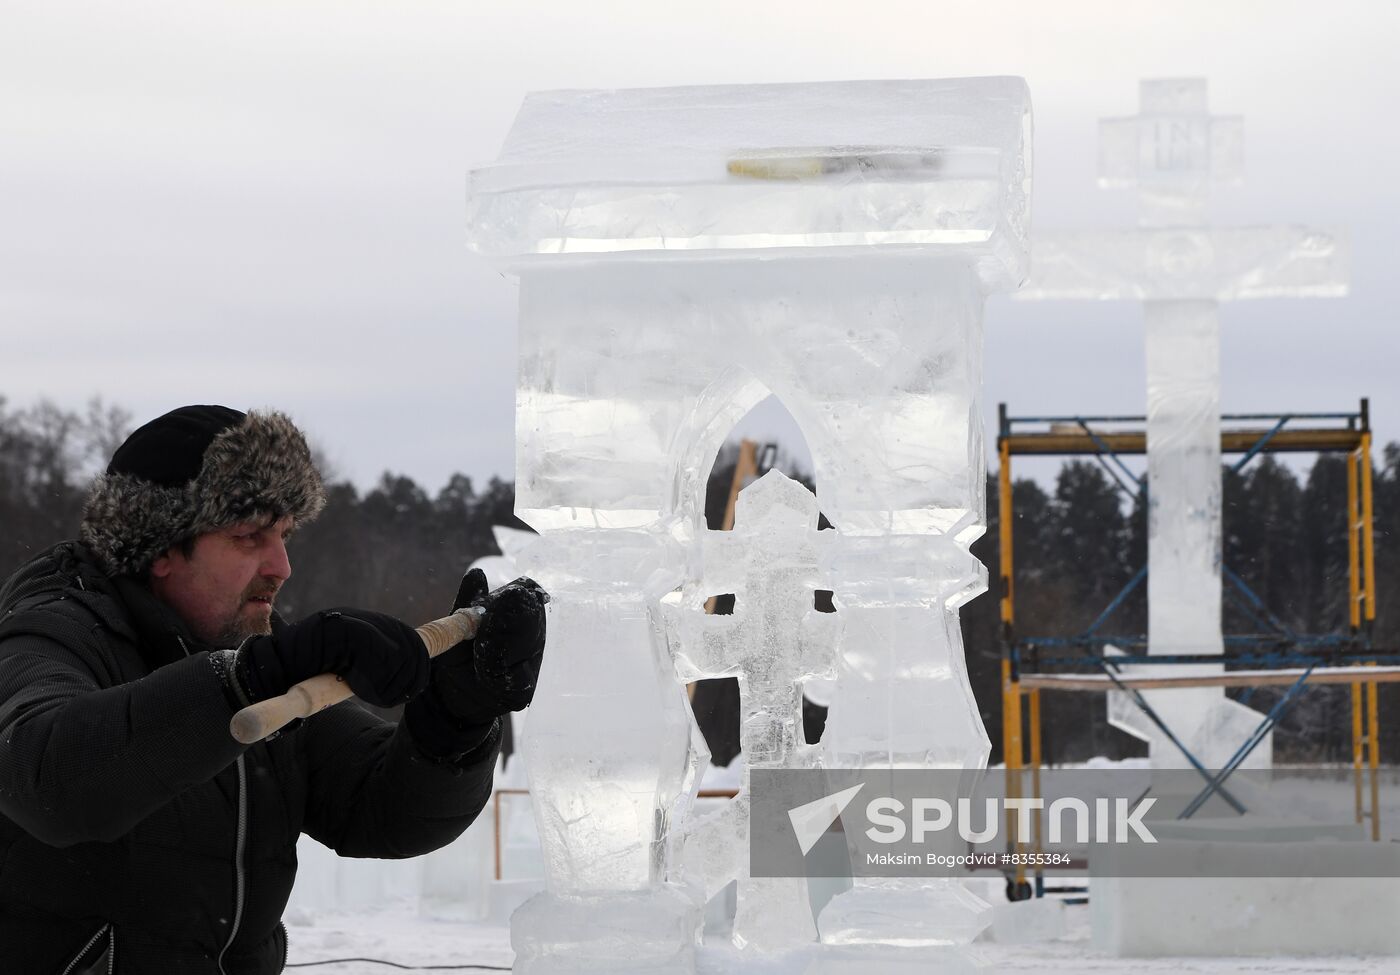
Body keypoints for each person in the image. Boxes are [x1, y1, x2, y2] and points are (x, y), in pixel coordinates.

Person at [0, 405, 547, 974]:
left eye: (284, 535)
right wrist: (248, 680)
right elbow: (46, 780)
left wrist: (455, 717)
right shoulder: (49, 631)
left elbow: (380, 809)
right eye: (248, 537)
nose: (281, 566)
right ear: (158, 547)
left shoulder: (254, 653)